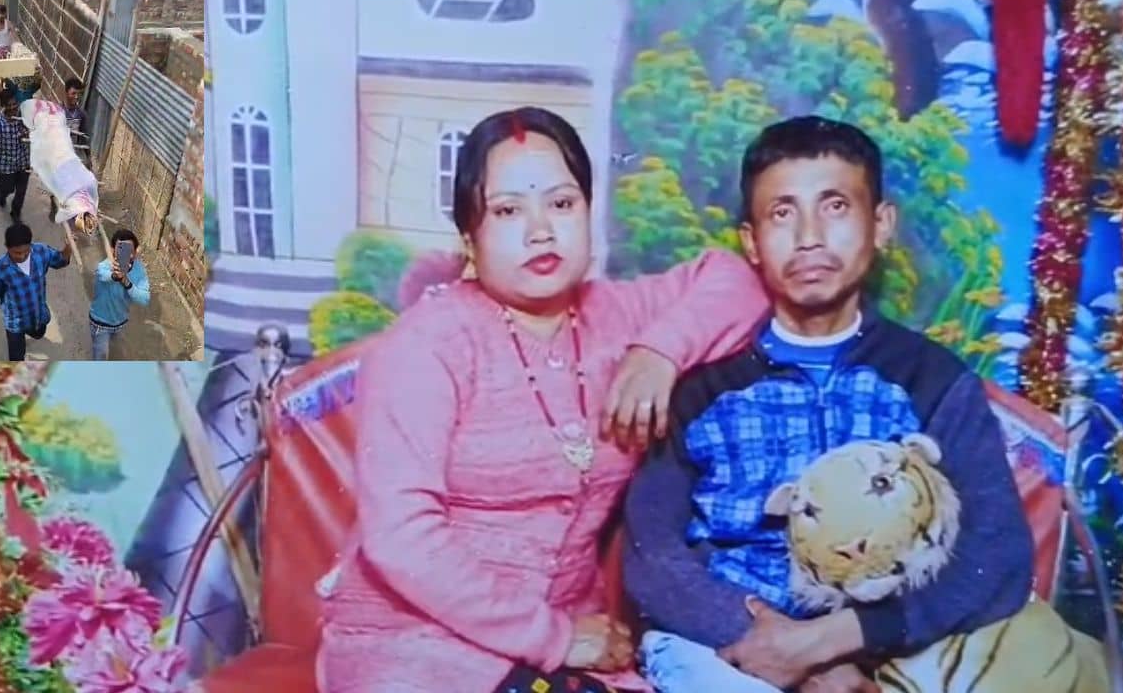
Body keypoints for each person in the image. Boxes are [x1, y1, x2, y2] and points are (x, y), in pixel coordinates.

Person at [315, 106, 769, 693]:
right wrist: (554, 637)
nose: (541, 231)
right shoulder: (426, 345)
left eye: (561, 203)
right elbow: (401, 539)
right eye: (507, 211)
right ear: (469, 237)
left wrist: (660, 351)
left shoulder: (617, 313)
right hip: (413, 642)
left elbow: (739, 280)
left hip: (558, 654)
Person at [622, 117, 1035, 693]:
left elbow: (998, 553)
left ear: (881, 224)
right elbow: (651, 556)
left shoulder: (930, 379)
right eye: (782, 213)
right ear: (751, 243)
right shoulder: (703, 387)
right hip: (730, 647)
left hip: (890, 643)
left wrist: (836, 640)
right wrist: (775, 648)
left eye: (835, 206)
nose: (809, 237)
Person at [0, 222, 72, 361]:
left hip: (38, 315)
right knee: (16, 357)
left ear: (31, 245)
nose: (22, 256)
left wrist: (69, 247)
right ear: (7, 247)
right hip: (15, 322)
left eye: (26, 251)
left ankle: (35, 332)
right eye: (16, 253)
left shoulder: (41, 251)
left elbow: (60, 260)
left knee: (39, 333)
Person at [90, 229, 151, 360]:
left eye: (130, 250)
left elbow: (145, 299)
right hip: (100, 325)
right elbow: (102, 275)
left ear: (135, 252)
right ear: (113, 250)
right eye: (121, 248)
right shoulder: (104, 266)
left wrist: (127, 283)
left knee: (118, 354)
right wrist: (115, 276)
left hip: (121, 324)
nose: (126, 254)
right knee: (100, 359)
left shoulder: (139, 270)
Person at [0, 88, 30, 221]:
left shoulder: (23, 117)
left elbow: (32, 132)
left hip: (23, 161)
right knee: (8, 189)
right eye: (9, 105)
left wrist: (27, 134)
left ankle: (15, 212)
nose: (13, 108)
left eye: (15, 104)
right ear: (3, 106)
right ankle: (1, 195)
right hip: (6, 165)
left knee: (21, 191)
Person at [63, 77, 89, 163]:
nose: (77, 97)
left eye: (79, 94)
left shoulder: (81, 114)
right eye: (73, 93)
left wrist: (88, 157)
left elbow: (84, 137)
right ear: (66, 93)